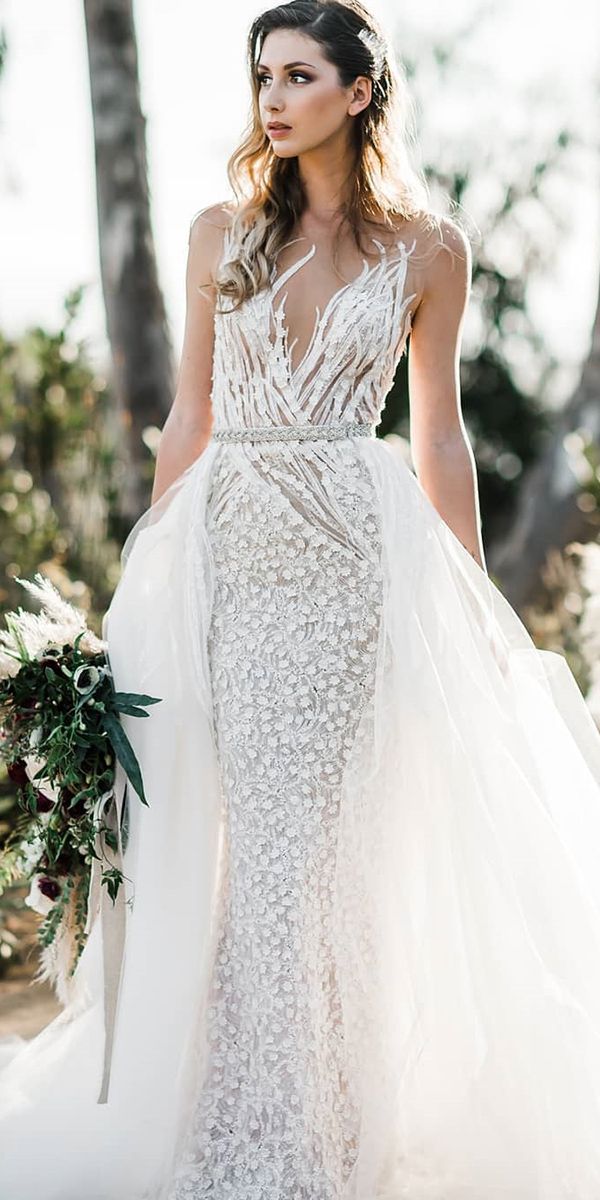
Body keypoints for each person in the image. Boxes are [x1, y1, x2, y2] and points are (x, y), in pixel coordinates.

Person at [3, 1, 600, 1197]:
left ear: (358, 92)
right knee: (236, 844)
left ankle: (314, 1129)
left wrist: (473, 611)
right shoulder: (220, 233)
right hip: (230, 562)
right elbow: (189, 417)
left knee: (314, 852)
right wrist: (140, 588)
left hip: (349, 572)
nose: (272, 98)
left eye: (298, 74)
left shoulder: (430, 252)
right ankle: (239, 1121)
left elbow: (439, 440)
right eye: (261, 75)